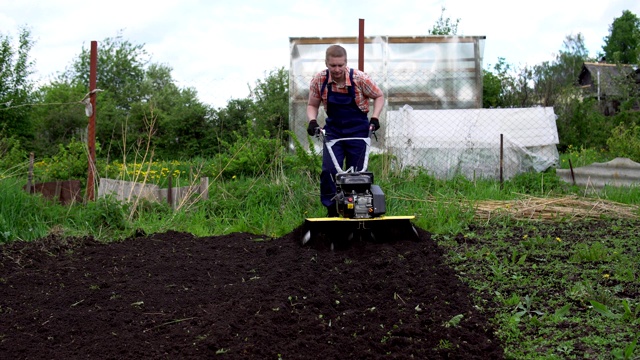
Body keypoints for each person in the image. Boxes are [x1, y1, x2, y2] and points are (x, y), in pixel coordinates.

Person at [306, 44, 385, 217]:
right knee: (329, 171)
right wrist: (312, 121)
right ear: (326, 63)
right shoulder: (320, 80)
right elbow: (312, 104)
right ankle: (332, 210)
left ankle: (358, 210)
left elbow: (379, 96)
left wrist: (375, 117)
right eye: (333, 65)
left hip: (358, 131)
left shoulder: (359, 78)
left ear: (346, 63)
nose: (337, 69)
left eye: (340, 65)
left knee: (357, 174)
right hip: (334, 132)